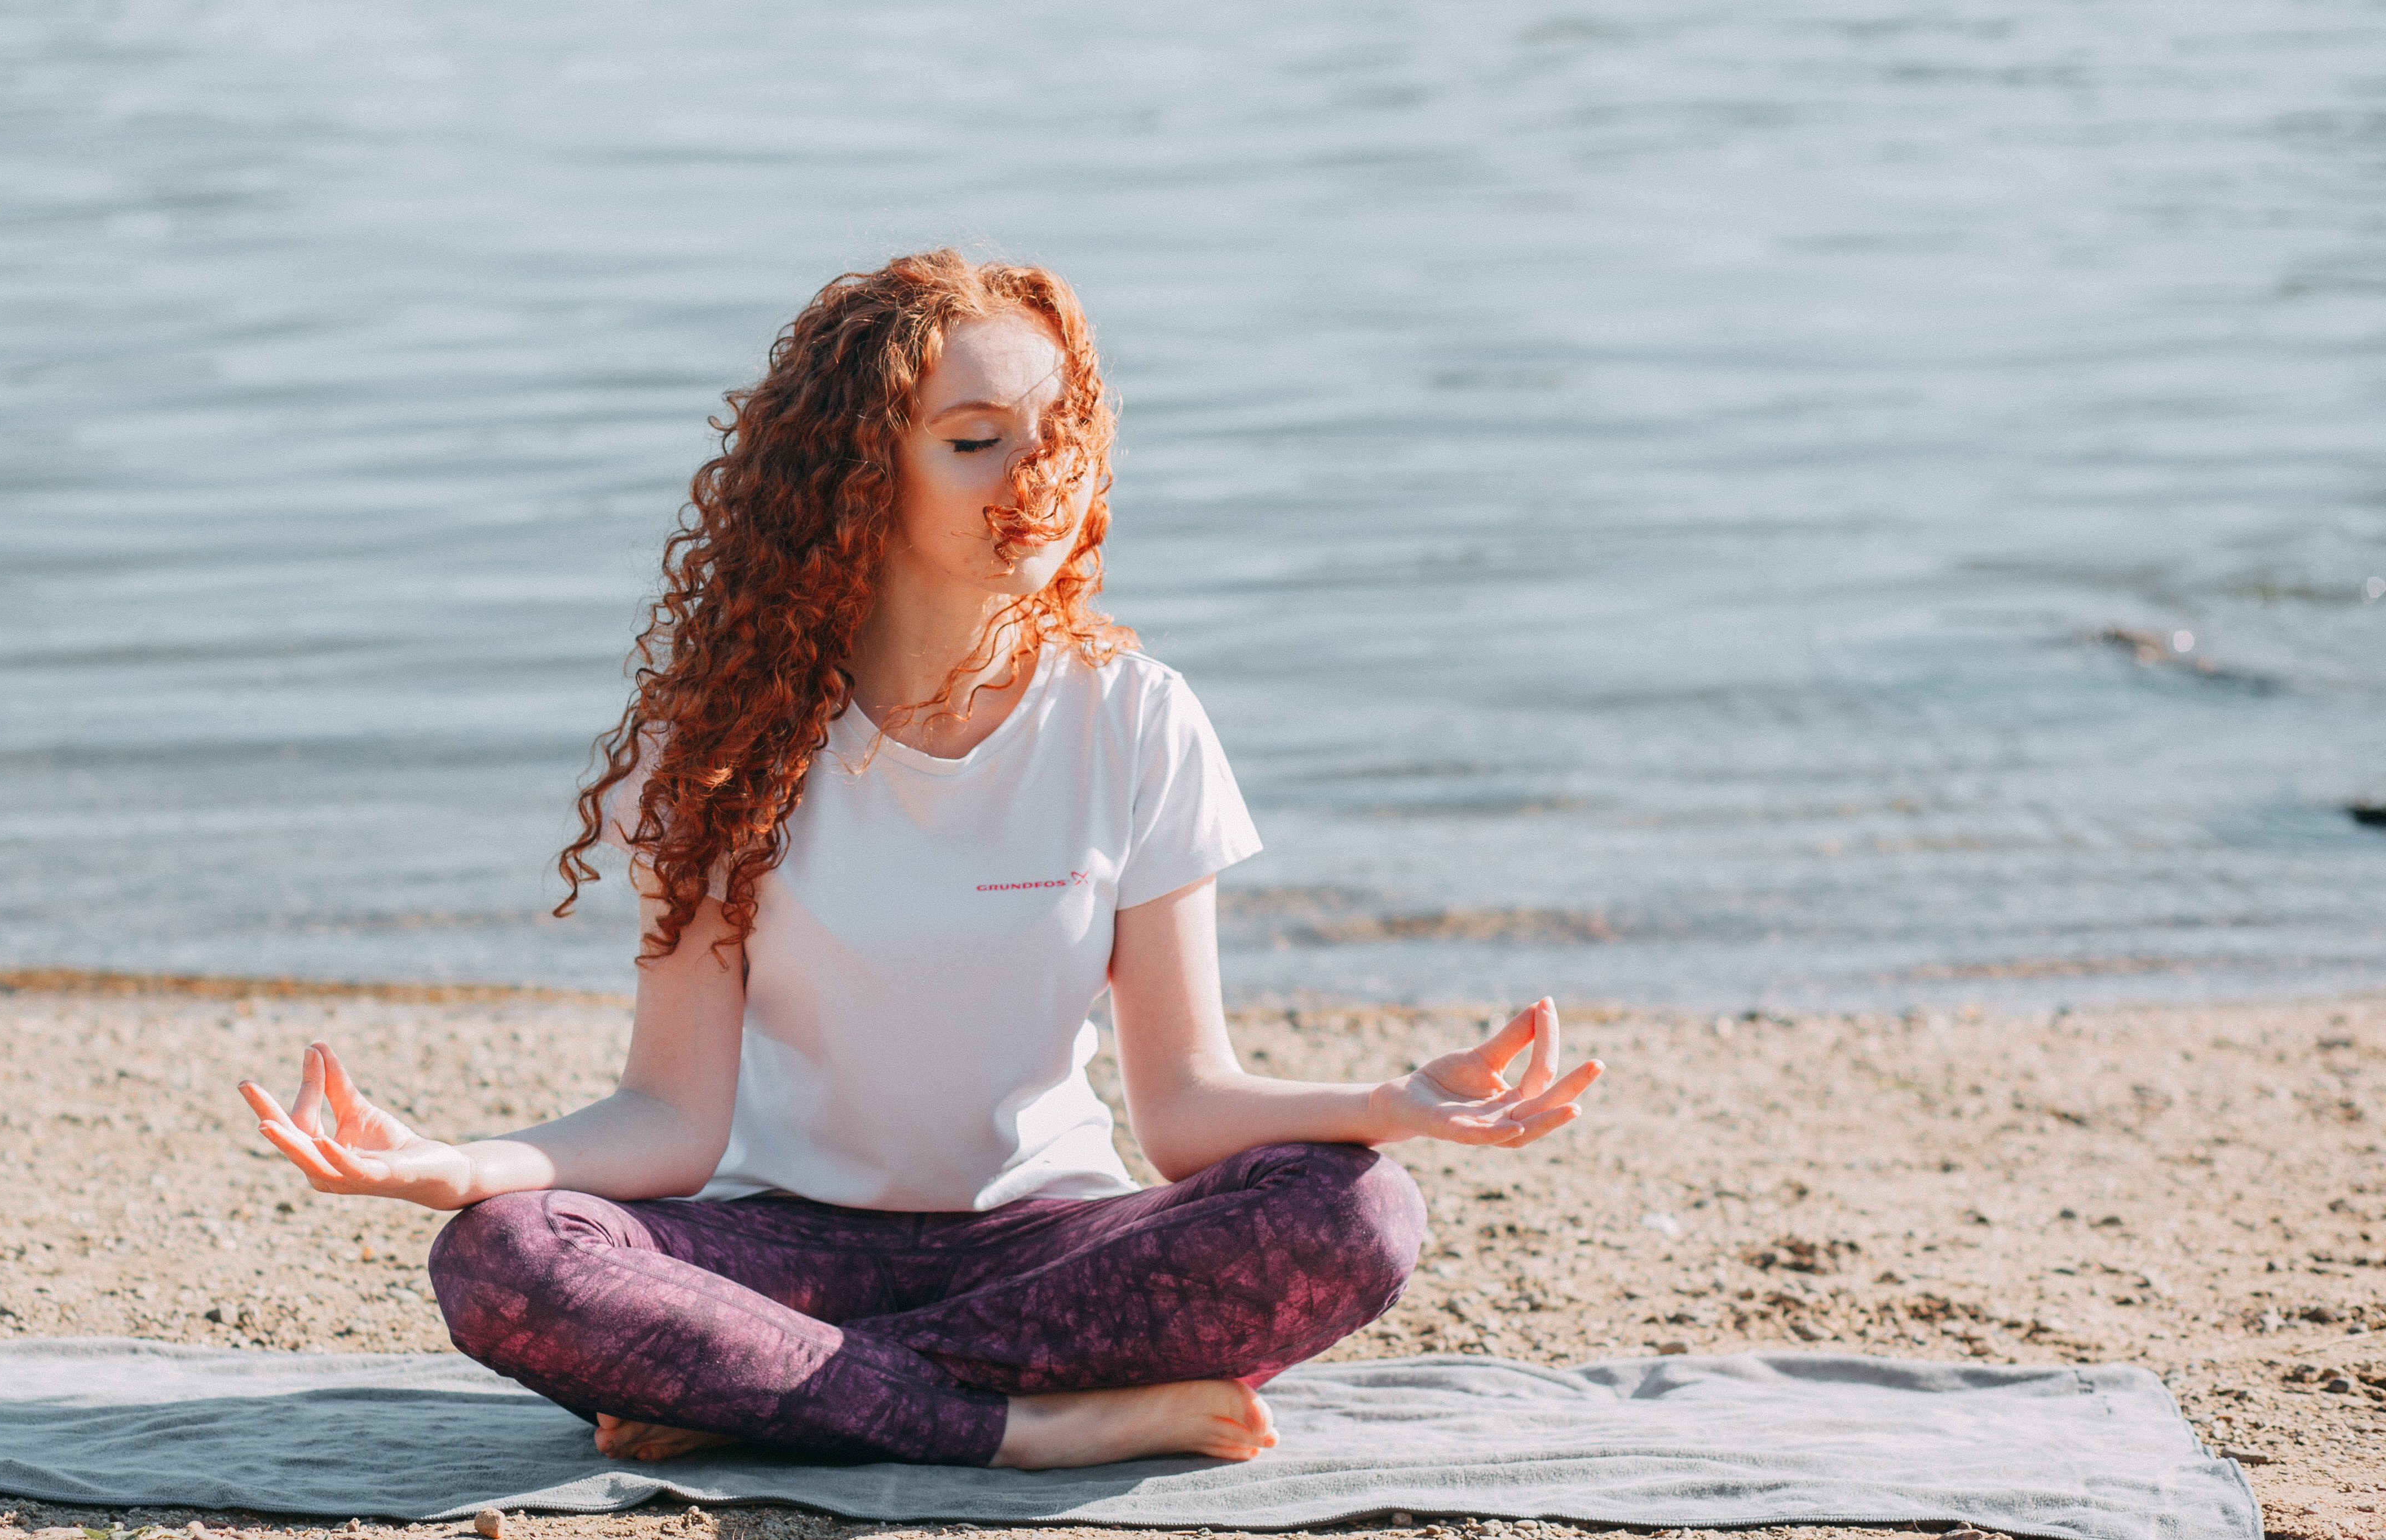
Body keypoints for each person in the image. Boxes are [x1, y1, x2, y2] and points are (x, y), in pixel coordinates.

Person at [237, 249, 1602, 1471]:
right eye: (977, 440)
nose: (1040, 470)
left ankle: (757, 1398)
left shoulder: (1136, 715)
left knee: (1358, 1210)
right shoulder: (720, 740)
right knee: (509, 1259)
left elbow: (1184, 1110)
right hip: (783, 1245)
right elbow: (668, 1120)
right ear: (857, 480)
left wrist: (1391, 1100)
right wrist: (464, 1162)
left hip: (1041, 1250)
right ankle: (1020, 1427)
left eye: (1060, 431)